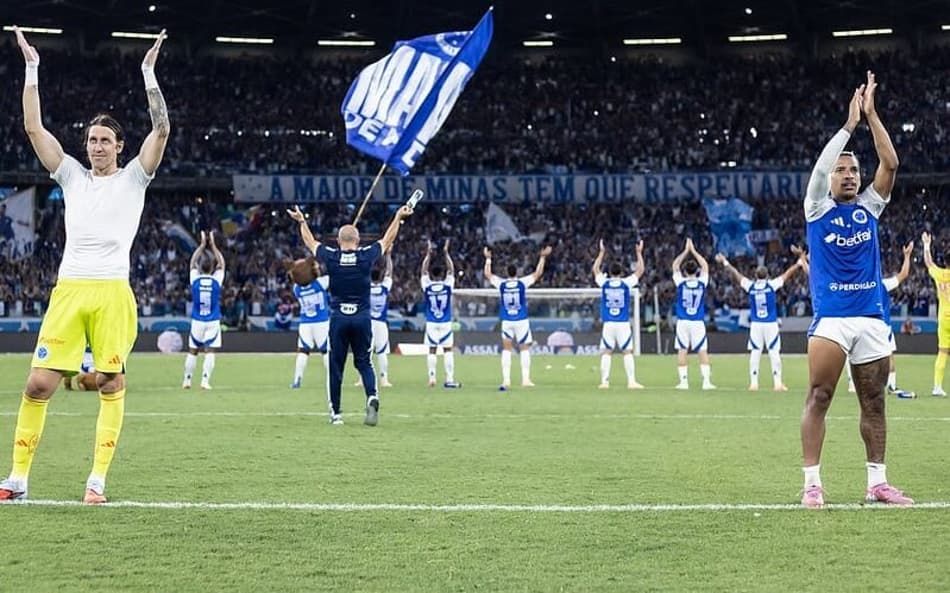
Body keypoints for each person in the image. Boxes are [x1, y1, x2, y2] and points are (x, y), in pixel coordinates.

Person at [0, 28, 169, 504]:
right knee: (37, 384)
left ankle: (96, 481)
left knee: (111, 381)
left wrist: (148, 73)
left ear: (119, 146)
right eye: (91, 139)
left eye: (104, 140)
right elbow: (34, 129)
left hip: (112, 291)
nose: (96, 146)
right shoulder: (71, 175)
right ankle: (17, 479)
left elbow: (161, 130)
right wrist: (31, 68)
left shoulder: (136, 178)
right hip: (69, 290)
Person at [799, 72, 911, 509]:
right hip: (831, 320)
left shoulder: (869, 208)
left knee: (874, 401)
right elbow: (820, 168)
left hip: (870, 318)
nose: (847, 175)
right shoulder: (816, 208)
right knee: (820, 395)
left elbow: (891, 164)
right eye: (841, 170)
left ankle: (878, 483)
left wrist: (871, 115)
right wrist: (848, 127)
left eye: (853, 170)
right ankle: (812, 483)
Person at [287, 204, 413, 426]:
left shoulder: (332, 257)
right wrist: (397, 216)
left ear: (338, 241)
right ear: (358, 241)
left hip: (338, 319)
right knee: (364, 362)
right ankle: (372, 396)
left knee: (336, 366)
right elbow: (387, 239)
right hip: (363, 318)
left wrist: (302, 222)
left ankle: (336, 414)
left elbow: (310, 243)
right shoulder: (366, 256)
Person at [716, 253, 802, 391]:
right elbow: (787, 274)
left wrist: (725, 262)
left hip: (756, 324)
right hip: (770, 324)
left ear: (756, 276)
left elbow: (736, 275)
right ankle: (777, 383)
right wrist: (798, 263)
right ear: (767, 275)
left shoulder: (751, 286)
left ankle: (754, 383)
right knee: (774, 352)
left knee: (755, 352)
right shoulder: (772, 285)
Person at [842, 241, 915, 397]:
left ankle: (855, 383)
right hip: (881, 326)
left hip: (863, 326)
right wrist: (907, 256)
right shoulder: (882, 284)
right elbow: (903, 275)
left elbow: (902, 275)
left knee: (857, 355)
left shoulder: (859, 286)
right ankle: (891, 386)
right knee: (887, 356)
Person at [483, 245, 552, 390]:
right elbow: (538, 273)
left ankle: (506, 380)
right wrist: (543, 257)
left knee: (507, 349)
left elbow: (488, 274)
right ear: (517, 273)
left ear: (506, 273)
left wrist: (488, 259)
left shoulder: (501, 284)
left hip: (507, 320)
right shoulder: (522, 283)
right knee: (524, 349)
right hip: (521, 320)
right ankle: (525, 380)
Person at [592, 238, 645, 389]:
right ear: (621, 272)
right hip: (622, 323)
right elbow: (640, 271)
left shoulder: (604, 283)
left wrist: (601, 253)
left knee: (607, 353)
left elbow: (595, 270)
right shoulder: (626, 283)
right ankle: (631, 381)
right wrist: (639, 253)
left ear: (608, 272)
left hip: (608, 323)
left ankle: (604, 382)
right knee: (627, 352)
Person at [182, 230, 225, 390]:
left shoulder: (195, 279)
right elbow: (222, 263)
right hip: (212, 321)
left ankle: (187, 380)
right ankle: (205, 381)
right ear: (212, 267)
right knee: (210, 352)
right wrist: (213, 245)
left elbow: (192, 263)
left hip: (197, 320)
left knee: (193, 351)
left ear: (200, 268)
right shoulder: (216, 280)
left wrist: (201, 245)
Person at [671, 238, 715, 390]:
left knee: (682, 350)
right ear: (696, 271)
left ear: (684, 272)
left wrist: (685, 251)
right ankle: (706, 382)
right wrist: (694, 251)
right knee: (702, 351)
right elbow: (705, 265)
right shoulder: (702, 282)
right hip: (697, 322)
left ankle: (683, 382)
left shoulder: (680, 283)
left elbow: (675, 265)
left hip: (683, 321)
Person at [421, 239, 461, 388]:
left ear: (431, 274)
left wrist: (428, 254)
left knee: (432, 349)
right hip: (445, 322)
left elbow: (423, 271)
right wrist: (446, 253)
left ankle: (432, 378)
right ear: (443, 274)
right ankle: (449, 378)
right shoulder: (447, 285)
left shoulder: (427, 286)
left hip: (431, 321)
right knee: (447, 349)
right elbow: (452, 270)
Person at [289, 258, 330, 389]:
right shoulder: (320, 283)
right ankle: (332, 378)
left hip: (305, 323)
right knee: (326, 351)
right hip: (321, 322)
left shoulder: (296, 289)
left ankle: (297, 380)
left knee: (303, 351)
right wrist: (316, 268)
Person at [922, 231, 950, 397]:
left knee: (943, 352)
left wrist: (926, 245)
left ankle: (937, 387)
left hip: (944, 318)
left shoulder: (939, 274)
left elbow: (928, 262)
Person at [367, 250, 394, 388]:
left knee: (366, 352)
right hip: (381, 323)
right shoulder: (384, 287)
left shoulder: (365, 287)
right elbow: (389, 271)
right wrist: (388, 255)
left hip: (367, 323)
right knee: (382, 351)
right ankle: (384, 379)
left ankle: (362, 378)